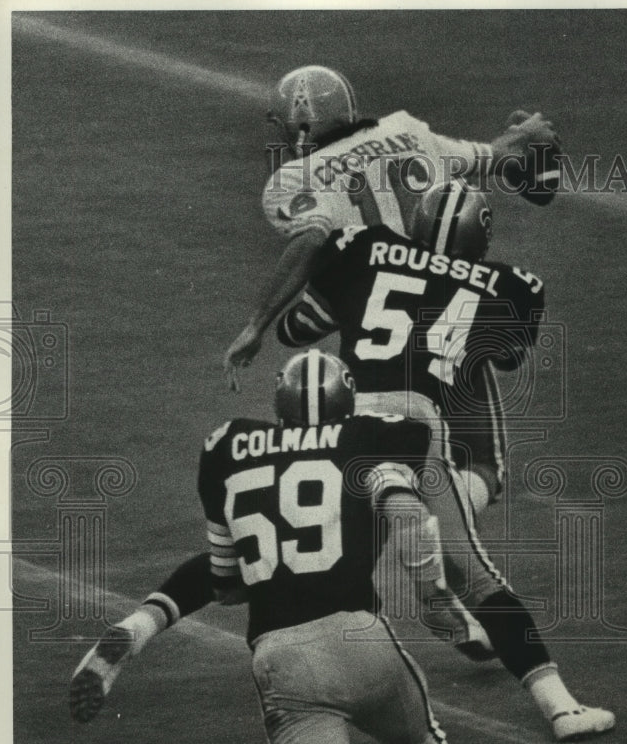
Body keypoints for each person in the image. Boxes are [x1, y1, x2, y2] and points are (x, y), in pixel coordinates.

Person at [274, 178, 615, 742]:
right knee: (478, 574)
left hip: (344, 423)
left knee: (326, 558)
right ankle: (559, 706)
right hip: (415, 426)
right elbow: (501, 357)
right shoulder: (513, 284)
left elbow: (297, 328)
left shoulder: (364, 247)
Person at [206, 350, 501, 744]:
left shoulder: (225, 448)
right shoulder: (374, 436)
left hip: (278, 658)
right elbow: (407, 514)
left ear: (277, 405)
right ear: (350, 400)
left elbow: (226, 583)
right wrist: (436, 599)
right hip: (358, 637)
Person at [225, 63, 562, 512]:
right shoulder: (407, 131)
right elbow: (491, 158)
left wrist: (257, 324)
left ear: (302, 125)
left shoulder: (291, 181)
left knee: (354, 467)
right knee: (480, 469)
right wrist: (528, 139)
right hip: (450, 318)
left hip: (369, 322)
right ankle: (442, 546)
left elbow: (312, 237)